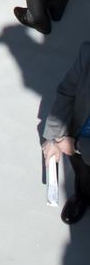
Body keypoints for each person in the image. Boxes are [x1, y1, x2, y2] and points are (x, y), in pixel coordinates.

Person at [42, 43, 90, 225]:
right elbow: (67, 93)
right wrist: (54, 138)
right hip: (79, 138)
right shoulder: (87, 54)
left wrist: (76, 146)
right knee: (83, 173)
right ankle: (84, 194)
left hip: (79, 145)